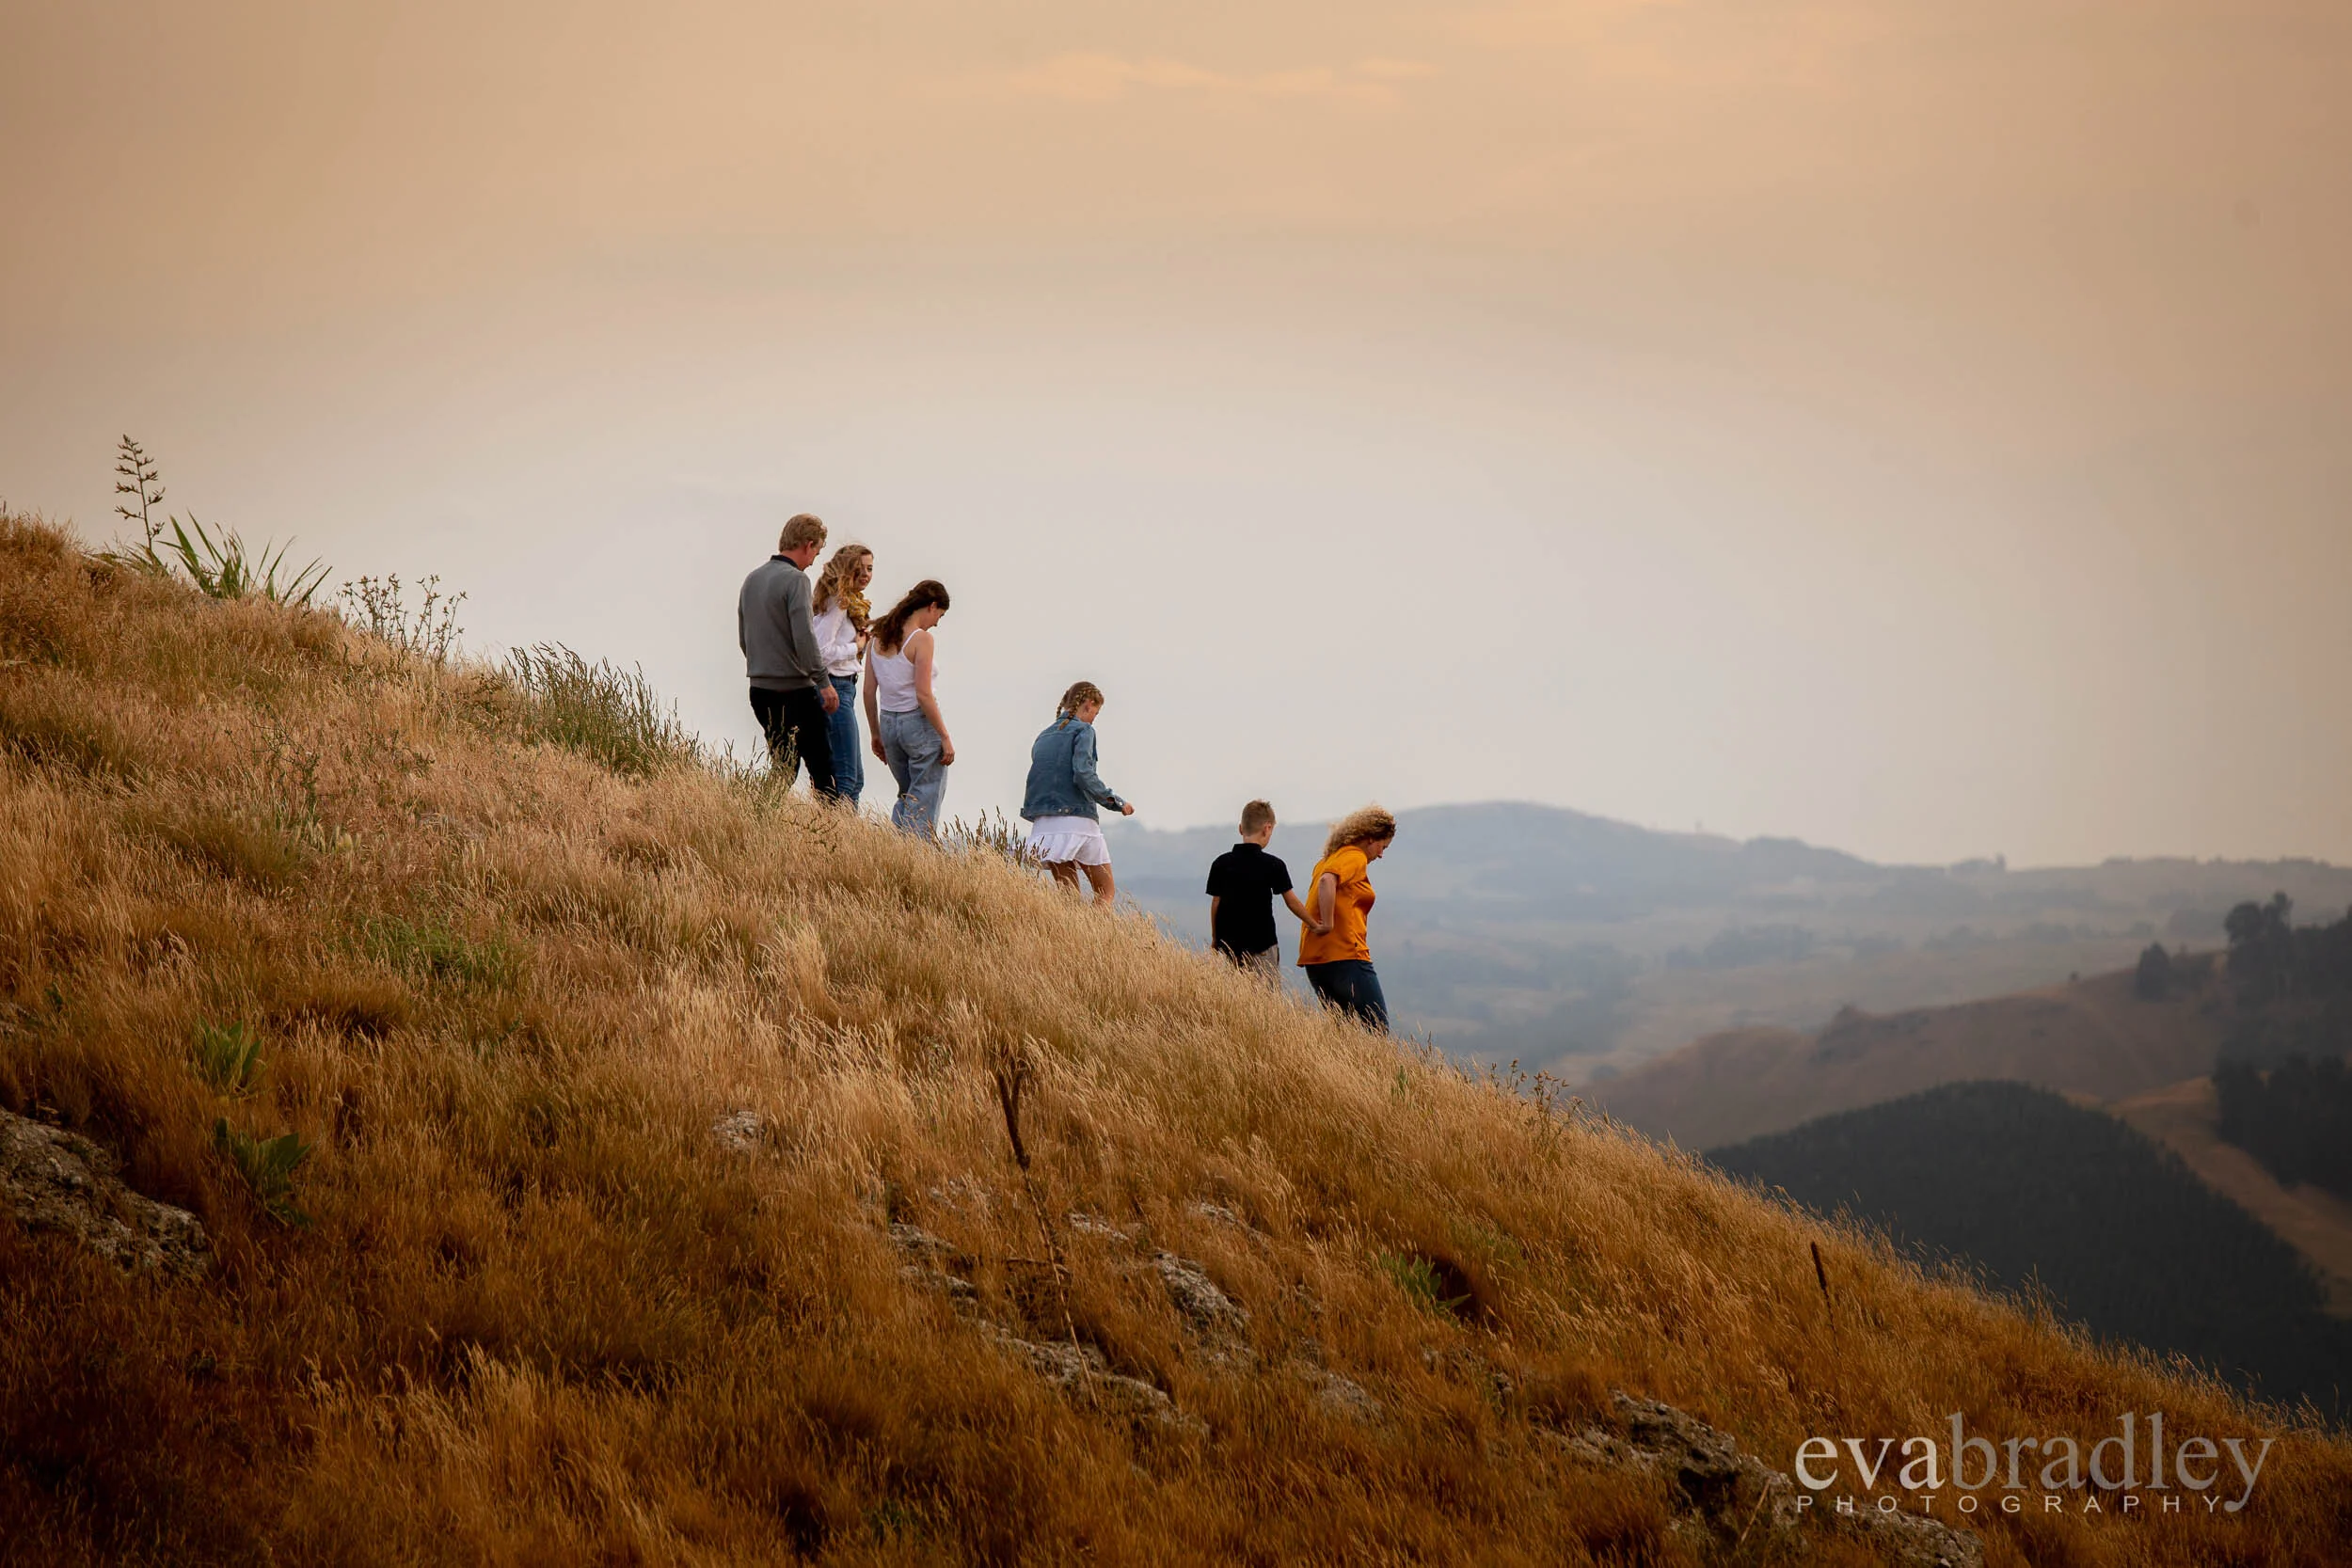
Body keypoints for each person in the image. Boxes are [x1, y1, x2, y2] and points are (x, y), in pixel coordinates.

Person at [738, 513, 838, 797]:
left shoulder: (752, 579)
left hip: (760, 690)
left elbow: (745, 639)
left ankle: (758, 815)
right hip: (794, 692)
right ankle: (832, 834)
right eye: (816, 552)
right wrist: (823, 683)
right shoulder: (796, 580)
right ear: (808, 545)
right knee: (823, 769)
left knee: (783, 767)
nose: (814, 560)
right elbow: (805, 638)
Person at [1020, 681, 1135, 907]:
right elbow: (1083, 773)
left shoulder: (1043, 736)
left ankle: (1069, 939)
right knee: (1105, 892)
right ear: (1089, 704)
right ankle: (1098, 941)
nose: (1094, 719)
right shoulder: (1084, 730)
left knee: (1068, 898)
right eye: (1096, 713)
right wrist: (1116, 802)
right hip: (1076, 819)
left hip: (1044, 824)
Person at [864, 579, 953, 836]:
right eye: (939, 615)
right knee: (924, 797)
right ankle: (917, 858)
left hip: (889, 722)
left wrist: (876, 733)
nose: (936, 622)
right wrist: (945, 737)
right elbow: (923, 694)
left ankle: (896, 851)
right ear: (932, 606)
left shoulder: (877, 637)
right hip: (918, 723)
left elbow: (869, 691)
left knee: (907, 793)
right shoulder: (921, 639)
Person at [1298, 804, 1397, 1031]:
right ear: (1370, 838)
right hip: (1347, 955)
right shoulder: (1355, 856)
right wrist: (1328, 923)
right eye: (1383, 847)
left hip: (1316, 959)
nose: (1381, 854)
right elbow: (1327, 881)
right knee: (1377, 1029)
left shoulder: (1328, 859)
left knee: (1342, 1034)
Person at [1205, 800, 1321, 980]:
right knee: (1264, 1002)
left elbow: (1216, 904)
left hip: (1230, 947)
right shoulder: (1274, 865)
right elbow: (1292, 902)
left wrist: (1215, 938)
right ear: (1267, 829)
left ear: (1241, 828)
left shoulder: (1221, 863)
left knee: (1232, 1000)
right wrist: (1315, 925)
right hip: (1263, 946)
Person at [811, 543, 875, 806]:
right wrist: (856, 647)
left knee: (851, 776)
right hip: (835, 686)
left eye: (870, 569)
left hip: (844, 687)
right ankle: (842, 837)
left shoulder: (850, 603)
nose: (866, 574)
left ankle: (840, 833)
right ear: (846, 569)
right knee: (847, 778)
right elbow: (822, 652)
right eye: (859, 569)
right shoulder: (839, 603)